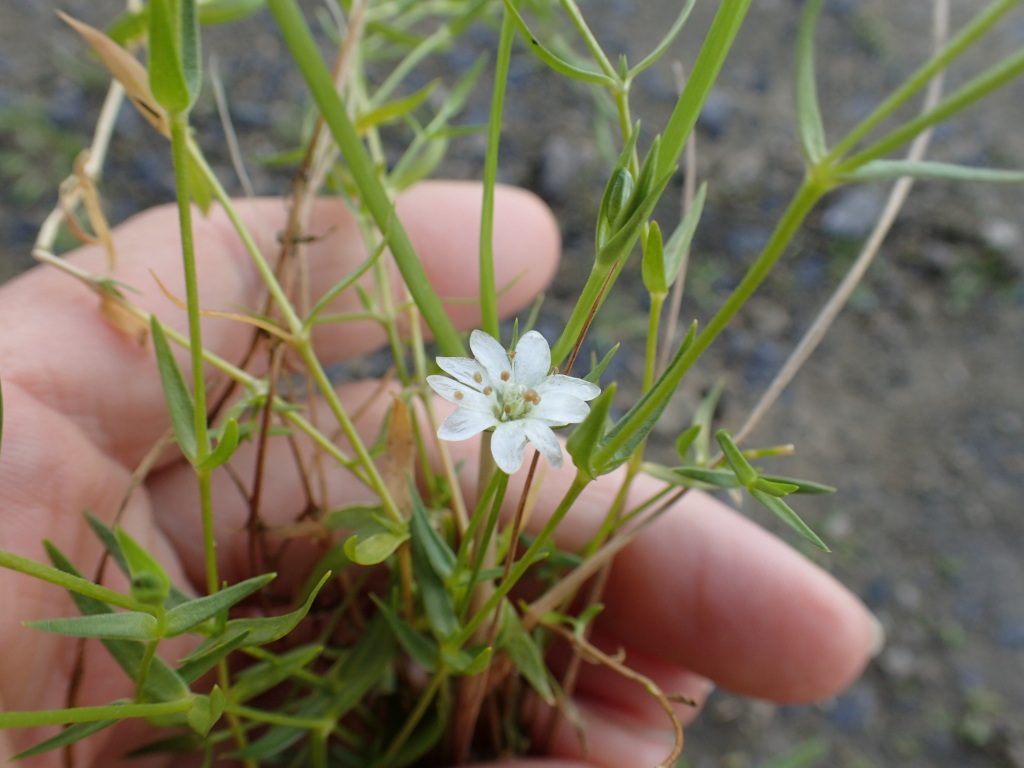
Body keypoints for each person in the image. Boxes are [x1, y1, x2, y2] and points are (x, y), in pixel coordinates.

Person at [0, 181, 881, 767]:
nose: (504, 401)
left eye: (513, 399)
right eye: (502, 397)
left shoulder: (522, 411)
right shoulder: (487, 413)